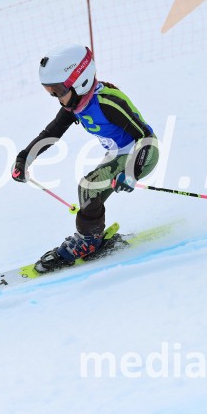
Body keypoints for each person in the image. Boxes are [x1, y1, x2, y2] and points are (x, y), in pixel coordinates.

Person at [12, 44, 158, 273]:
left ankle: (88, 241)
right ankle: (95, 238)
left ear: (80, 82)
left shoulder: (107, 102)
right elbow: (51, 133)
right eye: (50, 91)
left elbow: (146, 138)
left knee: (88, 186)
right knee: (91, 193)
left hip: (141, 153)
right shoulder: (75, 104)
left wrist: (130, 172)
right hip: (118, 153)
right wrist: (24, 158)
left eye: (58, 90)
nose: (56, 98)